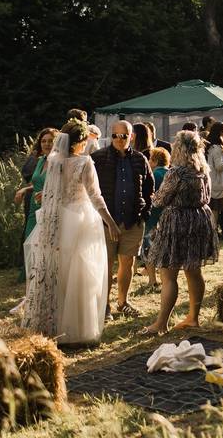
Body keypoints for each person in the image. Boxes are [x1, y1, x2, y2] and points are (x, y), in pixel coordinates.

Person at [22, 119, 115, 345]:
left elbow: (52, 190)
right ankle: (76, 330)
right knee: (81, 275)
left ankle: (51, 325)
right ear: (81, 141)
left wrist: (44, 196)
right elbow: (95, 196)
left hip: (56, 221)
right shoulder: (85, 163)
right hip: (80, 220)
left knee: (58, 272)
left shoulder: (53, 161)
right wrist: (110, 222)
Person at [141, 131, 218, 334]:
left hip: (177, 221)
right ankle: (193, 317)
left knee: (169, 274)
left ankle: (161, 323)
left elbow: (160, 200)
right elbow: (208, 196)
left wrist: (153, 196)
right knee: (193, 270)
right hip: (200, 218)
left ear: (178, 148)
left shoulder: (176, 172)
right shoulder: (203, 169)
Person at [91, 120, 154, 320]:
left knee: (128, 262)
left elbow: (150, 187)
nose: (119, 139)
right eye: (115, 136)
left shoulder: (140, 159)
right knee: (106, 265)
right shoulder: (98, 158)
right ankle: (105, 306)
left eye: (124, 136)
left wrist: (145, 211)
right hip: (106, 221)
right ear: (111, 136)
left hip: (133, 220)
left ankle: (122, 302)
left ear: (131, 136)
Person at [15, 128, 58, 281]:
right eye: (43, 141)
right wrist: (25, 189)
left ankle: (44, 276)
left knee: (44, 243)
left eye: (50, 140)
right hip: (34, 206)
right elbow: (38, 182)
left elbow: (62, 186)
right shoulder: (41, 160)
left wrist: (47, 194)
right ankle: (32, 275)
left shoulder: (59, 162)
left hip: (50, 206)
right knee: (30, 241)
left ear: (57, 142)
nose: (46, 144)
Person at [141, 147, 171, 291]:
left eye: (150, 159)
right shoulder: (170, 173)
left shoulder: (156, 175)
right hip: (167, 216)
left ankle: (152, 280)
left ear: (155, 160)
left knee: (149, 248)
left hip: (154, 215)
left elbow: (151, 196)